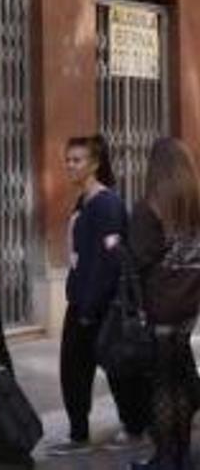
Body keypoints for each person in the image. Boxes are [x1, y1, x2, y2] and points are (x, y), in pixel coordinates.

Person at [47, 135, 150, 456]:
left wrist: (90, 307)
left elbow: (110, 261)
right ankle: (79, 433)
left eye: (77, 160)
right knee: (74, 372)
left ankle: (135, 428)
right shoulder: (84, 201)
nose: (70, 165)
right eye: (68, 159)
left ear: (94, 163)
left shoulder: (107, 204)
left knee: (119, 368)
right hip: (80, 301)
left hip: (100, 306)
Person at [129, 138, 200, 470]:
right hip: (189, 304)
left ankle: (164, 457)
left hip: (160, 305)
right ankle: (183, 454)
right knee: (182, 379)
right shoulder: (195, 205)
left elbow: (140, 258)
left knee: (162, 382)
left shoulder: (148, 208)